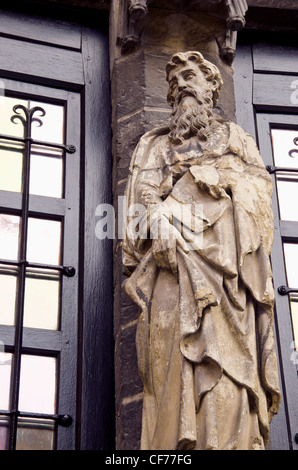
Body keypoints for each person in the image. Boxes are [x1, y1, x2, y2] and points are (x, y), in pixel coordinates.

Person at [122, 51, 281, 450]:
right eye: (174, 82)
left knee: (228, 372)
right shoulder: (153, 146)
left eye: (191, 76)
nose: (181, 86)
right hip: (172, 272)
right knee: (167, 362)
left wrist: (215, 180)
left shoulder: (237, 140)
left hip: (229, 276)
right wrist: (156, 216)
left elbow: (261, 200)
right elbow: (136, 215)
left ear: (213, 86)